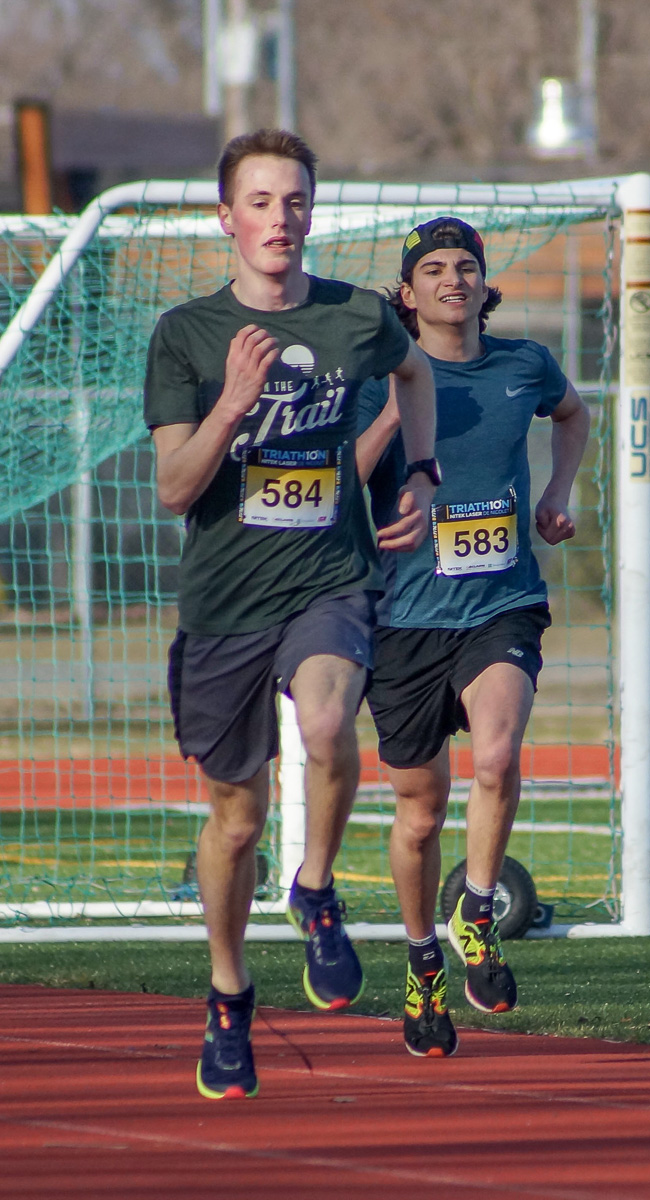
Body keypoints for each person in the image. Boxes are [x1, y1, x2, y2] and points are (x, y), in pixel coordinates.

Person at [144, 128, 437, 1099]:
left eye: (295, 201)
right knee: (234, 822)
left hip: (328, 581)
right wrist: (232, 401)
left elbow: (414, 371)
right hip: (225, 601)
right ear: (226, 219)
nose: (280, 218)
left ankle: (313, 886)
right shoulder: (186, 335)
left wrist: (422, 470)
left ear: (312, 213)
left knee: (324, 723)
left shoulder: (356, 318)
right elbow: (176, 491)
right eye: (260, 202)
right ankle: (228, 994)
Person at [356, 217, 590, 1058]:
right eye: (434, 269)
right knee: (418, 815)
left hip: (502, 602)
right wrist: (392, 408)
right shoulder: (380, 373)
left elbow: (572, 413)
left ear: (483, 284)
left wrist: (558, 493)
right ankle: (422, 961)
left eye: (466, 267)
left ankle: (476, 910)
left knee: (496, 758)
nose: (452, 279)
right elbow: (340, 479)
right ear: (409, 293)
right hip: (403, 621)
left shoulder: (523, 364)